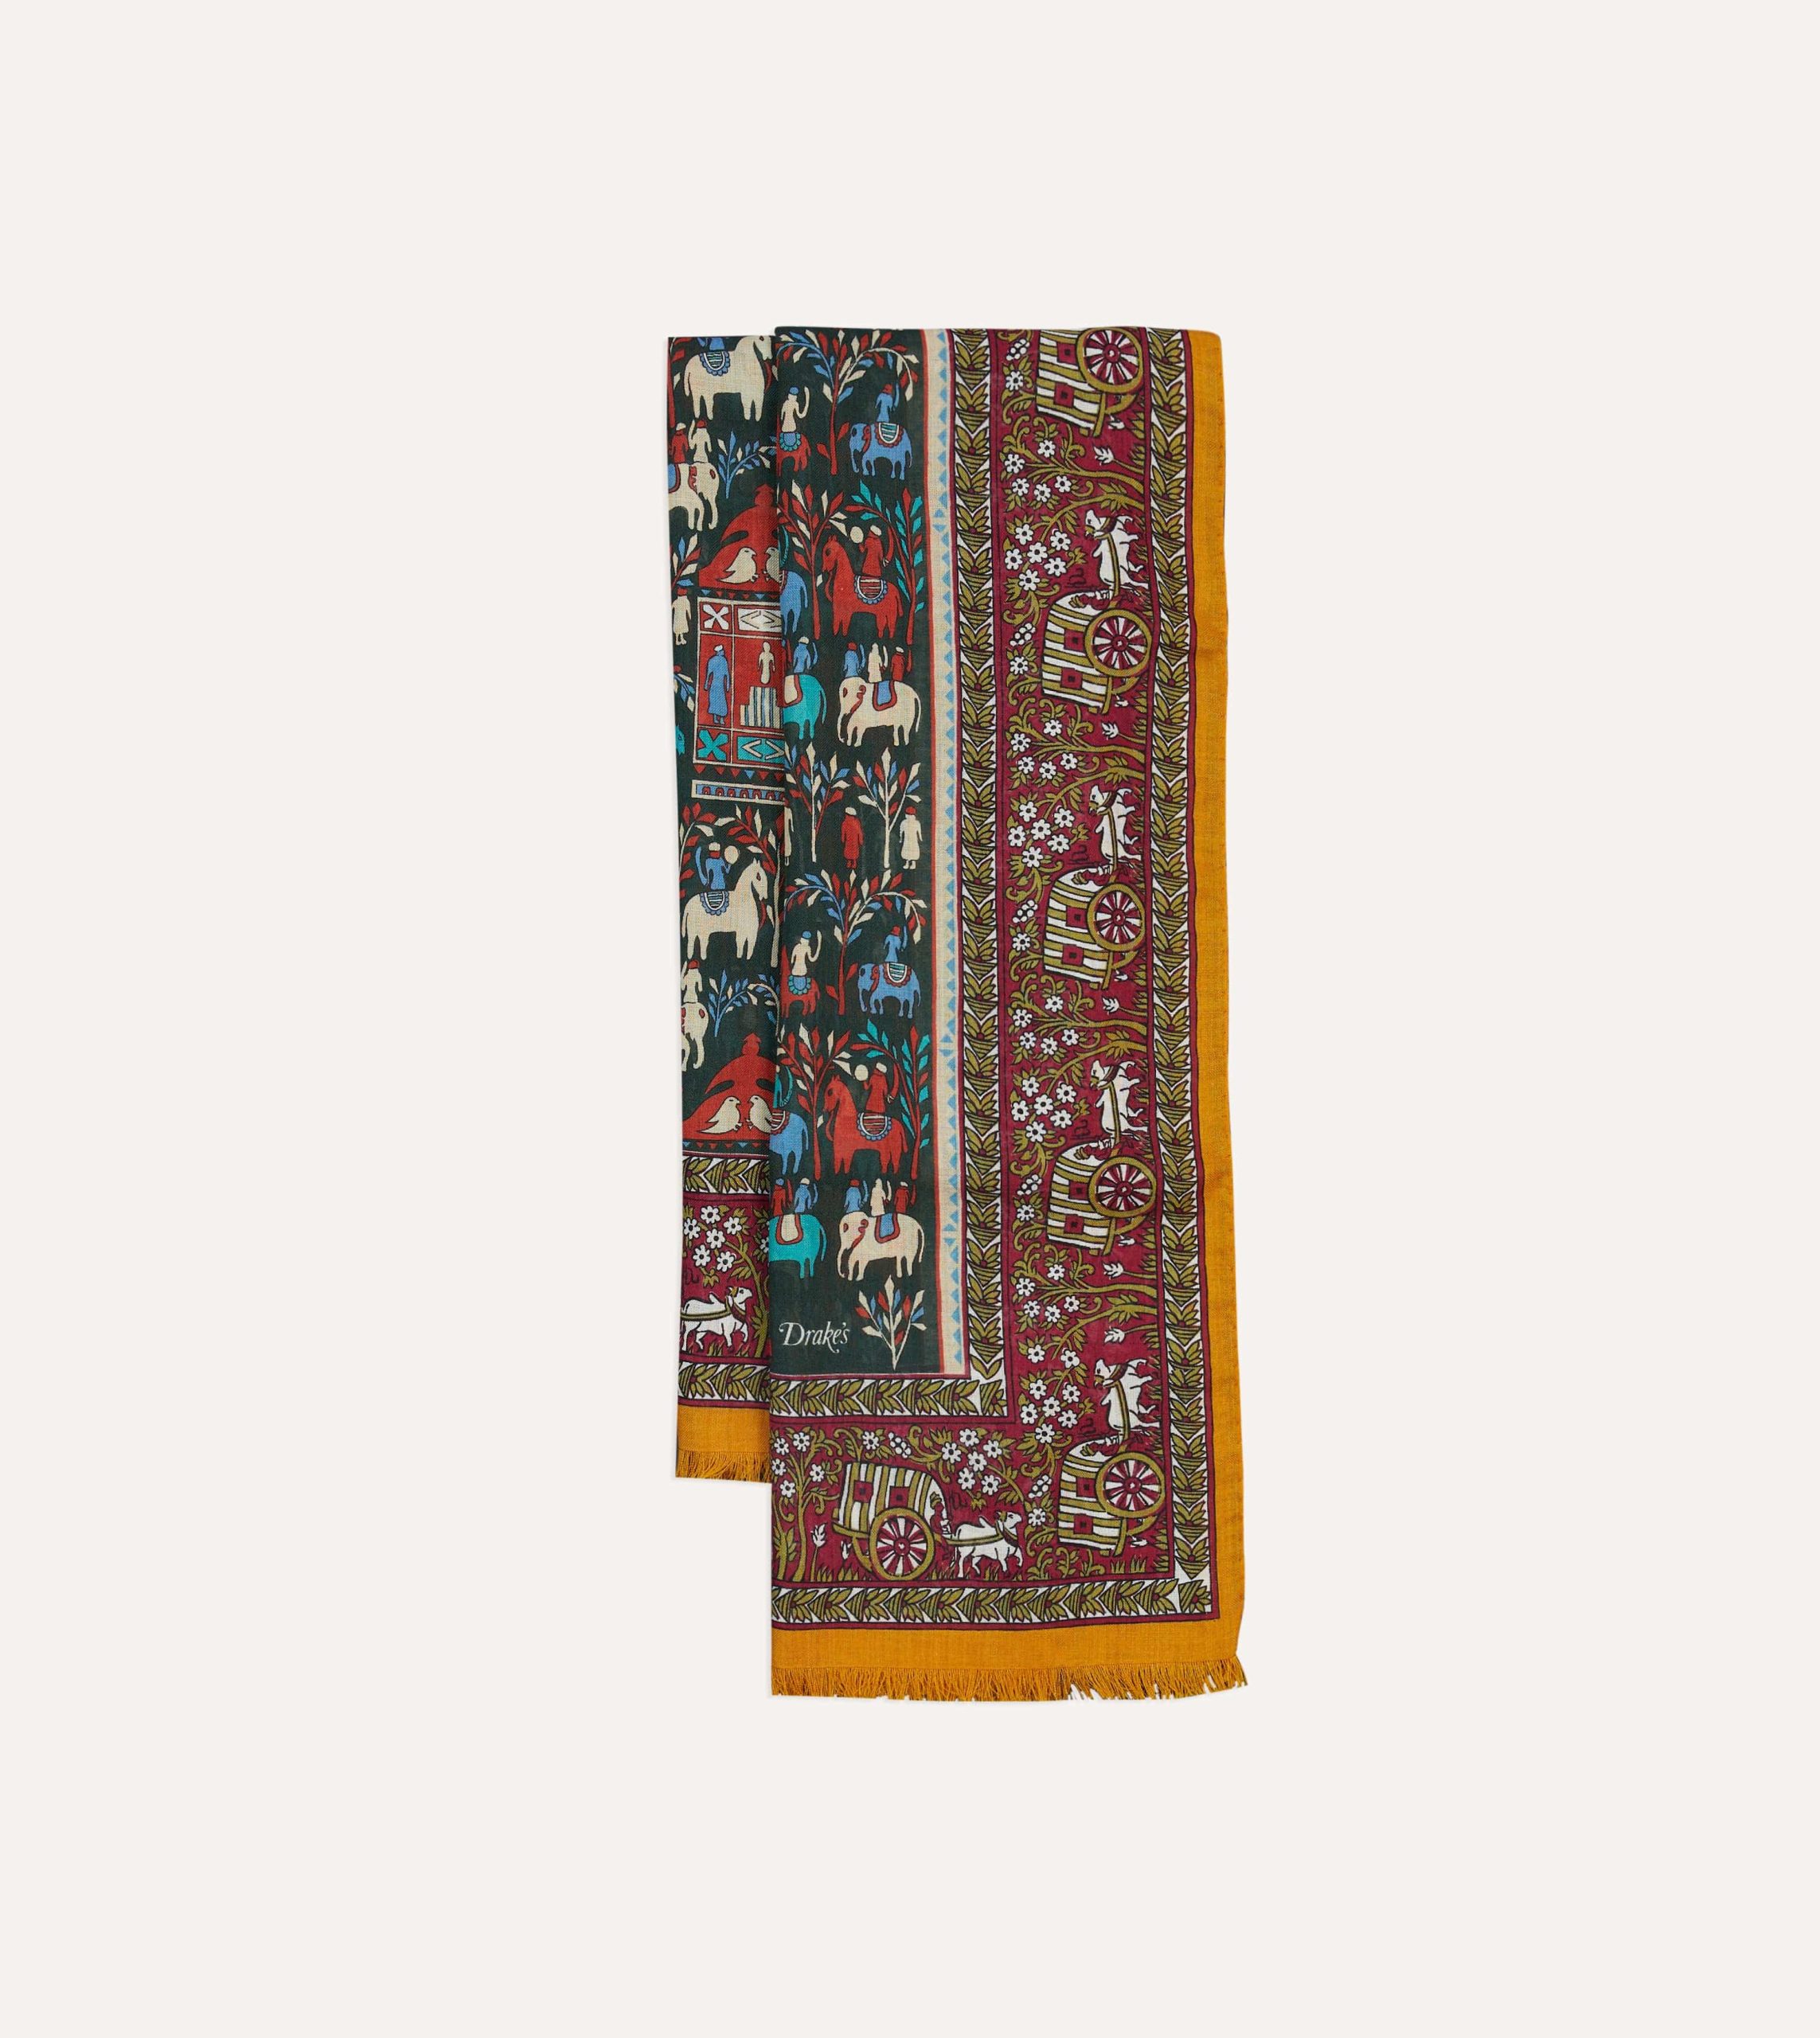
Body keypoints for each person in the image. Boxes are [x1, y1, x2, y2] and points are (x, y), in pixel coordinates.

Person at [704, 640, 732, 720]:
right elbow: (709, 673)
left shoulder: (721, 660)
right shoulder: (718, 660)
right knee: (716, 701)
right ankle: (716, 718)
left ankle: (720, 719)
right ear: (719, 652)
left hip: (718, 684)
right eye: (722, 651)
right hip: (716, 684)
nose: (723, 652)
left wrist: (727, 685)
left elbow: (726, 674)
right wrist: (727, 686)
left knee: (719, 701)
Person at [839, 806, 864, 871]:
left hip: (854, 840)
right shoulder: (845, 823)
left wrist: (860, 840)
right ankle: (849, 862)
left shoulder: (856, 822)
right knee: (848, 851)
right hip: (849, 840)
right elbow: (843, 832)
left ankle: (854, 862)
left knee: (854, 851)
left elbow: (859, 832)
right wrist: (843, 838)